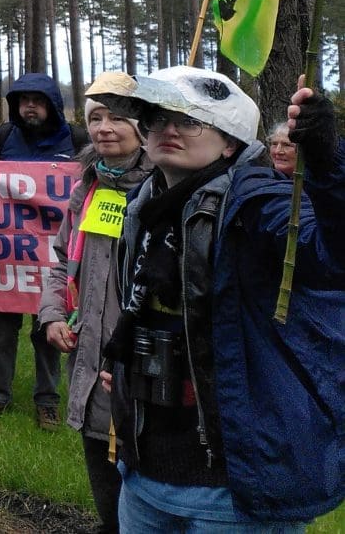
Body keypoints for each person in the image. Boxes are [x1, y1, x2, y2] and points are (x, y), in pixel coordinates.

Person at [101, 66, 345, 530]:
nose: (169, 129)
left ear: (230, 142)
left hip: (233, 492)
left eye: (190, 120)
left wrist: (330, 161)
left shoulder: (255, 201)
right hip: (144, 474)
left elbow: (333, 256)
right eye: (157, 116)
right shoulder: (144, 205)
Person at [36, 71, 151, 531]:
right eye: (96, 117)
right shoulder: (87, 189)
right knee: (107, 504)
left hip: (142, 373)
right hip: (88, 363)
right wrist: (52, 314)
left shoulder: (163, 188)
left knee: (144, 506)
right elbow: (62, 261)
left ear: (142, 127)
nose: (104, 127)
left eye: (117, 118)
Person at [0, 71, 86, 426]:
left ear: (52, 105)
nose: (30, 106)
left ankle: (48, 401)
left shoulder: (75, 139)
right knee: (2, 329)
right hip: (9, 255)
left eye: (37, 100)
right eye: (23, 100)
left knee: (49, 329)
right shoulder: (4, 136)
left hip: (53, 256)